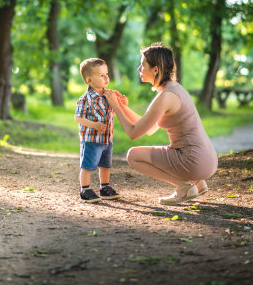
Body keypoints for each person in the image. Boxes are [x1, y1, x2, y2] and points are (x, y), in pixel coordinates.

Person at [103, 43, 218, 205]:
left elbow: (133, 133)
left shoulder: (166, 96)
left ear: (155, 69)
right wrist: (121, 106)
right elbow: (149, 128)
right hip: (207, 159)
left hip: (194, 161)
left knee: (133, 156)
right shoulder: (174, 89)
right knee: (165, 149)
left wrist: (115, 106)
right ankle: (198, 183)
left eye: (142, 65)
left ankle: (184, 186)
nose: (138, 69)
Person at [74, 58, 126, 203]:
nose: (106, 78)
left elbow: (112, 112)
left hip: (106, 139)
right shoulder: (85, 99)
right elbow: (78, 118)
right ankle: (84, 189)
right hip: (91, 140)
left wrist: (120, 104)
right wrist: (94, 125)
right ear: (89, 80)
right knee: (88, 165)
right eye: (101, 75)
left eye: (107, 74)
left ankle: (104, 187)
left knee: (105, 164)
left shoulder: (108, 96)